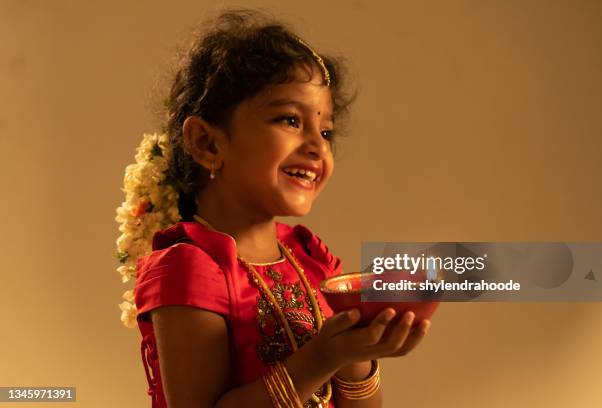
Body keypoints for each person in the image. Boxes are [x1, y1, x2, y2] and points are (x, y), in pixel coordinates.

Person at [121, 8, 432, 408]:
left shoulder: (310, 260)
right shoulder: (190, 267)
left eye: (325, 131)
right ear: (207, 143)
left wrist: (357, 355)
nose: (317, 147)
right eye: (289, 120)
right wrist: (323, 356)